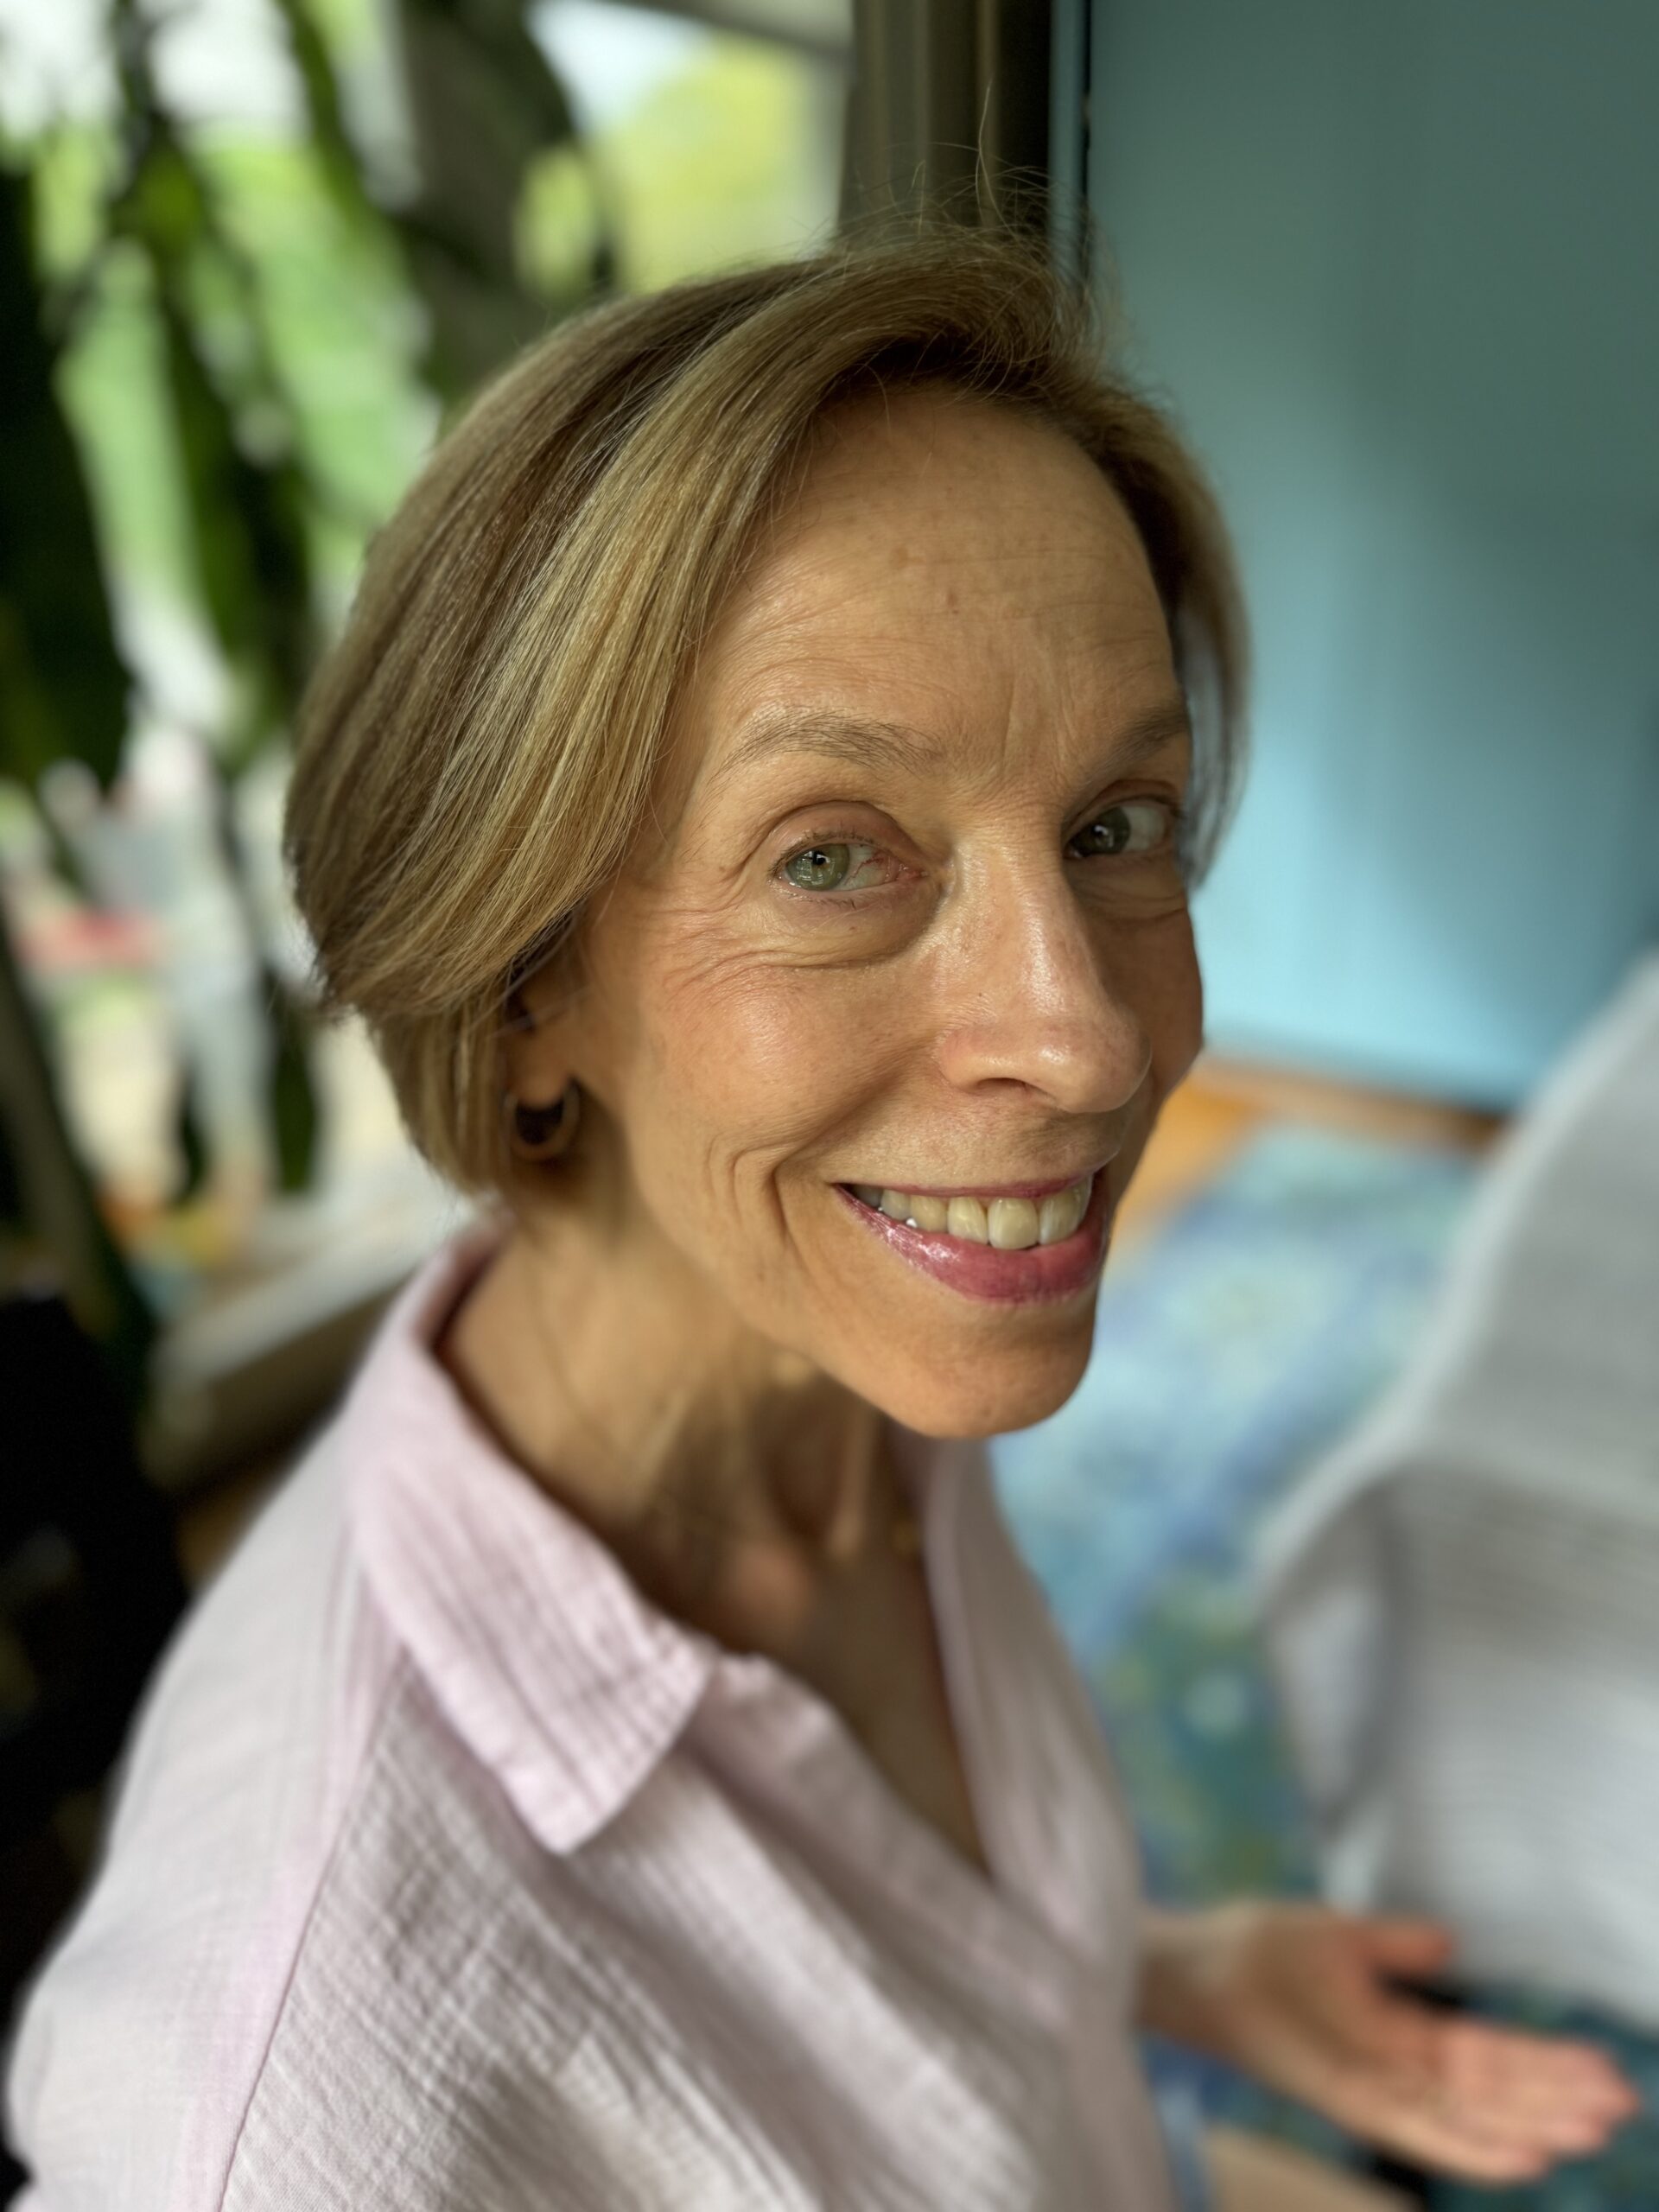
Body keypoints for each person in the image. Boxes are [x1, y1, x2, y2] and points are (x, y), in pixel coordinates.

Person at [3, 230, 1637, 2210]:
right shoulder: (283, 2121)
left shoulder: (845, 1352)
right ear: (523, 987)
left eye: (1119, 822)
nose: (1095, 1038)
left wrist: (1173, 1979)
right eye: (836, 854)